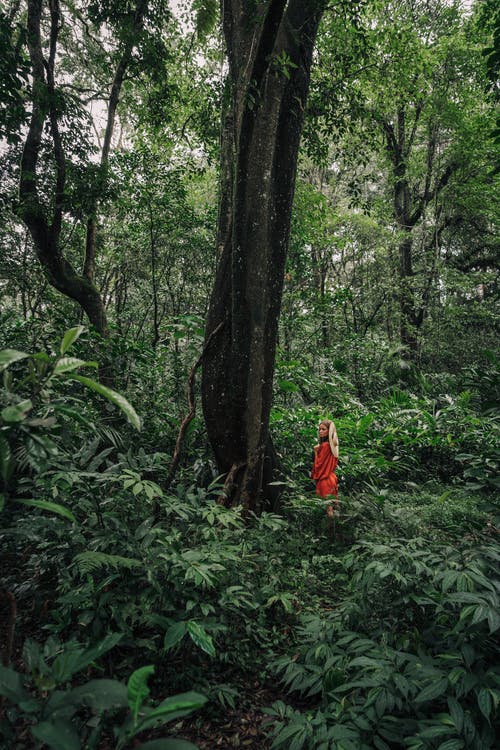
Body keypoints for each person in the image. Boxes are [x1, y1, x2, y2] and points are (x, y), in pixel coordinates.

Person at [311, 419, 339, 518]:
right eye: (319, 429)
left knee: (329, 510)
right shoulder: (331, 446)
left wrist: (315, 452)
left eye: (323, 429)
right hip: (332, 478)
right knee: (335, 506)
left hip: (325, 480)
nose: (320, 431)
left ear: (329, 431)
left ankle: (330, 531)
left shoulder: (325, 446)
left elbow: (318, 465)